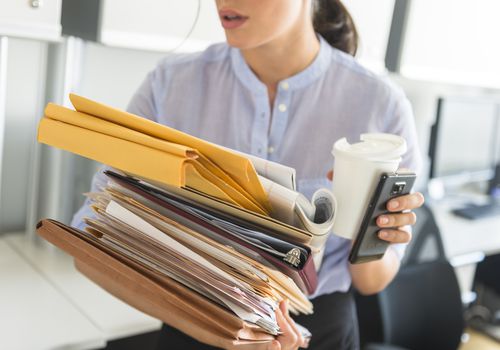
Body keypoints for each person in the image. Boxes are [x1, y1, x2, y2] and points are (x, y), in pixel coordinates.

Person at [71, 0, 425, 349]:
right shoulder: (169, 86)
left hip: (321, 333)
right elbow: (91, 240)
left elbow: (370, 282)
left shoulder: (381, 106)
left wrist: (376, 233)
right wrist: (217, 332)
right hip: (193, 322)